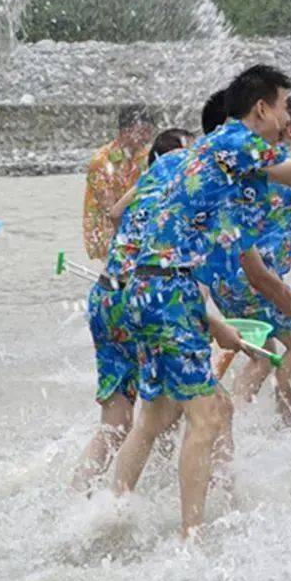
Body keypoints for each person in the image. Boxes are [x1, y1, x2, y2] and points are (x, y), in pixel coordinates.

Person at [111, 65, 291, 537]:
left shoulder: (206, 157)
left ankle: (110, 512)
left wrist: (212, 319)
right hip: (169, 289)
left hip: (146, 287)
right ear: (262, 108)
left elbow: (129, 213)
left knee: (161, 415)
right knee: (206, 417)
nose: (286, 122)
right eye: (284, 108)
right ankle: (191, 539)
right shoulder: (237, 143)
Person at [72, 127, 200, 494]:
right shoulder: (183, 192)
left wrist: (127, 248)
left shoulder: (146, 182)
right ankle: (146, 488)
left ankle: (81, 496)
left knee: (115, 420)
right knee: (167, 404)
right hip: (142, 298)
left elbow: (113, 213)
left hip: (106, 295)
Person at [208, 95, 291, 426]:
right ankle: (283, 423)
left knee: (261, 353)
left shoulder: (252, 162)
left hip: (225, 276)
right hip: (256, 276)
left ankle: (233, 418)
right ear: (290, 131)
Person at [82, 105, 156, 261]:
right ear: (125, 131)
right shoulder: (101, 162)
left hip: (133, 222)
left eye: (149, 132)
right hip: (105, 229)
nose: (146, 138)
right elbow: (111, 211)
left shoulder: (145, 155)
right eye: (142, 132)